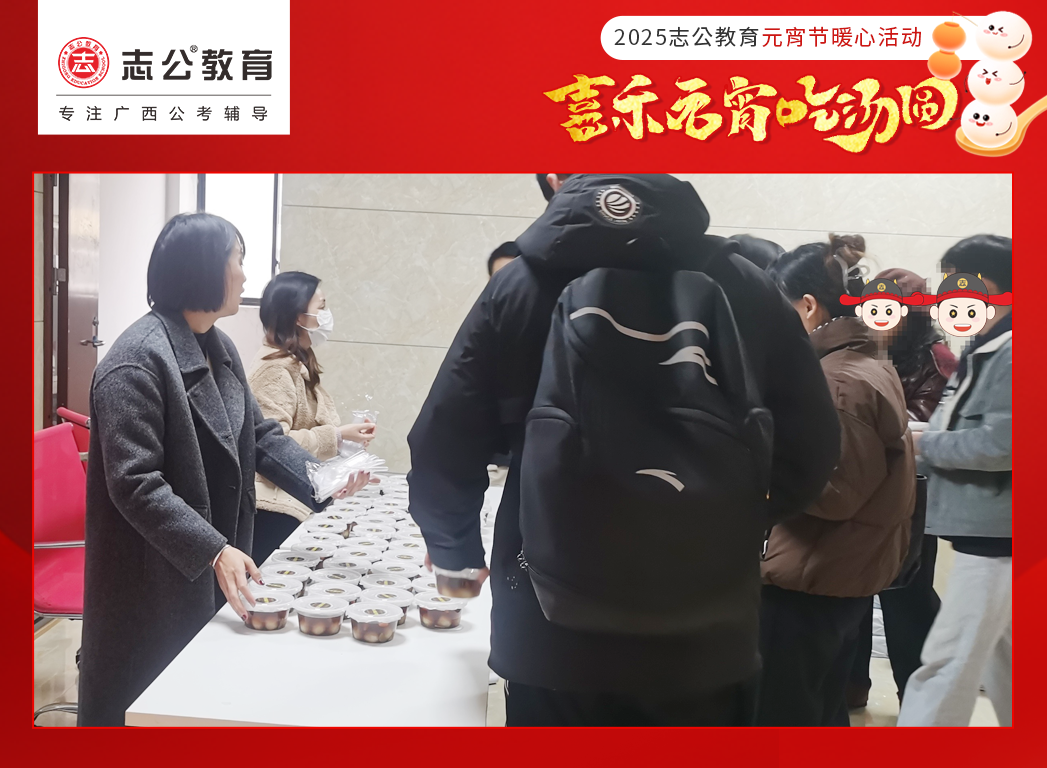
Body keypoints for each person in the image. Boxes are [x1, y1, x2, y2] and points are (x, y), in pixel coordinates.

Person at [408, 174, 840, 727]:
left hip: (550, 626)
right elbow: (812, 448)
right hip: (704, 630)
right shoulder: (744, 284)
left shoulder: (519, 285)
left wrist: (456, 555)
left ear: (556, 178)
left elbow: (445, 439)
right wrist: (730, 517)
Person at [77, 214, 370, 727]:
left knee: (199, 700)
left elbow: (260, 436)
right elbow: (135, 483)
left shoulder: (218, 346)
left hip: (212, 558)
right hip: (152, 576)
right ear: (204, 269)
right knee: (145, 705)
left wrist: (324, 480)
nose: (244, 275)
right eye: (238, 260)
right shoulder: (136, 361)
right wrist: (212, 548)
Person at [758, 235, 916, 727]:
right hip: (840, 571)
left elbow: (835, 493)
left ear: (808, 306)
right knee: (821, 706)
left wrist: (757, 480)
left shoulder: (838, 380)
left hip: (813, 575)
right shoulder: (863, 363)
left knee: (785, 711)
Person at [898, 235, 1012, 727]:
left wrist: (925, 446)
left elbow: (1006, 445)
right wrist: (918, 434)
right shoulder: (990, 345)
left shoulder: (1013, 351)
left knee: (947, 661)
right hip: (991, 531)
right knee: (1005, 661)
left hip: (999, 537)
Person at [846, 268, 957, 709]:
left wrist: (866, 422)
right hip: (859, 491)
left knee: (906, 599)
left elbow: (924, 428)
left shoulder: (936, 358)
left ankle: (918, 698)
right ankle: (851, 689)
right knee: (849, 594)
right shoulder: (861, 349)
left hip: (910, 495)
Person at [247, 271, 377, 564]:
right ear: (298, 316)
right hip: (275, 510)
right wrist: (337, 437)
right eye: (322, 307)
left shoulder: (295, 361)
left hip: (296, 498)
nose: (327, 315)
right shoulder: (274, 370)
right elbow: (271, 447)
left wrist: (346, 450)